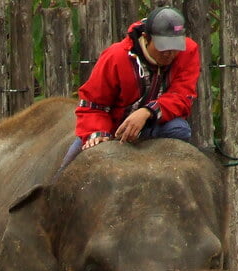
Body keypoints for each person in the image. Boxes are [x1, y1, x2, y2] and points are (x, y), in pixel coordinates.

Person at [60, 6, 199, 169]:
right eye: (163, 46)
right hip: (113, 128)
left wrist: (147, 111)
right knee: (67, 170)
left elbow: (182, 96)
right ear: (147, 38)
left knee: (180, 130)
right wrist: (98, 134)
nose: (169, 53)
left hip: (153, 125)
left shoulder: (188, 52)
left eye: (175, 47)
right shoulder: (116, 57)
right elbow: (92, 105)